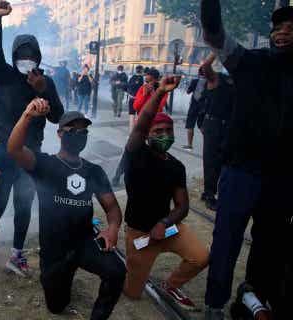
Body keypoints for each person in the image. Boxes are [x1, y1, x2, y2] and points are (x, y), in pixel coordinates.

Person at [201, 2, 293, 319]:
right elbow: (213, 32)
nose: (283, 33)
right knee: (226, 240)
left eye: (291, 28)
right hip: (241, 171)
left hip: (282, 179)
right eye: (278, 28)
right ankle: (215, 304)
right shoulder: (250, 62)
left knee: (270, 246)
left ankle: (253, 299)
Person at [8, 101, 126, 318]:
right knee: (56, 306)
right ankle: (64, 278)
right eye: (73, 130)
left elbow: (112, 208)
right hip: (54, 249)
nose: (79, 134)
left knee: (117, 271)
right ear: (60, 134)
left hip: (85, 242)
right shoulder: (45, 164)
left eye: (83, 131)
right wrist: (27, 115)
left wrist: (112, 229)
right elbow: (14, 148)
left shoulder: (94, 171)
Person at [0, 1, 64, 278]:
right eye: (21, 54)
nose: (26, 59)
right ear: (14, 54)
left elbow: (58, 118)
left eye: (31, 55)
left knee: (24, 203)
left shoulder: (45, 81)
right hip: (3, 150)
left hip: (31, 153)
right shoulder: (2, 74)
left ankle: (16, 255)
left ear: (38, 57)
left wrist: (44, 92)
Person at [122, 74, 209, 311]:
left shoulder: (176, 166)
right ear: (147, 135)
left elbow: (182, 206)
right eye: (158, 130)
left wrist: (164, 222)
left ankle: (170, 285)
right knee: (132, 293)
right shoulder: (136, 154)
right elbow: (142, 122)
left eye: (168, 130)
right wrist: (160, 92)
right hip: (140, 234)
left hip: (168, 228)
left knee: (201, 257)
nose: (164, 134)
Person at [199, 54, 234, 211]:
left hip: (229, 126)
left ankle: (212, 191)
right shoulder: (217, 78)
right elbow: (206, 67)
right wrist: (216, 50)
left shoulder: (238, 80)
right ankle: (209, 194)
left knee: (222, 160)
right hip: (213, 123)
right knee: (211, 160)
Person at [182, 67, 207, 150]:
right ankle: (208, 143)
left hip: (194, 106)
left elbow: (188, 92)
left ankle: (189, 145)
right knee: (202, 126)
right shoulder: (209, 83)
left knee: (190, 125)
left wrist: (189, 88)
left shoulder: (195, 81)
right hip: (203, 107)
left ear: (199, 73)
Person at [126, 65, 145, 133]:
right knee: (139, 116)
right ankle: (137, 132)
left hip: (131, 98)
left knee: (131, 115)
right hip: (140, 99)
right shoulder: (144, 79)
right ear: (142, 70)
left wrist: (130, 94)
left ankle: (131, 132)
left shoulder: (131, 77)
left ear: (136, 70)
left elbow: (127, 87)